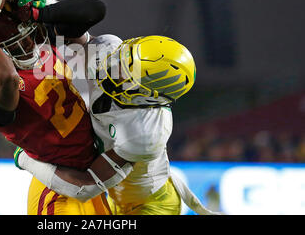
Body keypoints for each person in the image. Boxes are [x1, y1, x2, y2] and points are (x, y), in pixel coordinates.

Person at [0, 0, 112, 215]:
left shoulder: (44, 48)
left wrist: (40, 11)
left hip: (97, 170)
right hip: (60, 188)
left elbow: (95, 10)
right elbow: (6, 78)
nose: (30, 44)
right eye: (17, 41)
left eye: (30, 33)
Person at [15, 34, 222, 215]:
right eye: (125, 59)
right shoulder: (109, 52)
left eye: (129, 74)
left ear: (149, 97)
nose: (116, 68)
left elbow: (85, 187)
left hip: (149, 206)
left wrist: (25, 158)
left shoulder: (143, 135)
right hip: (115, 197)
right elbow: (73, 34)